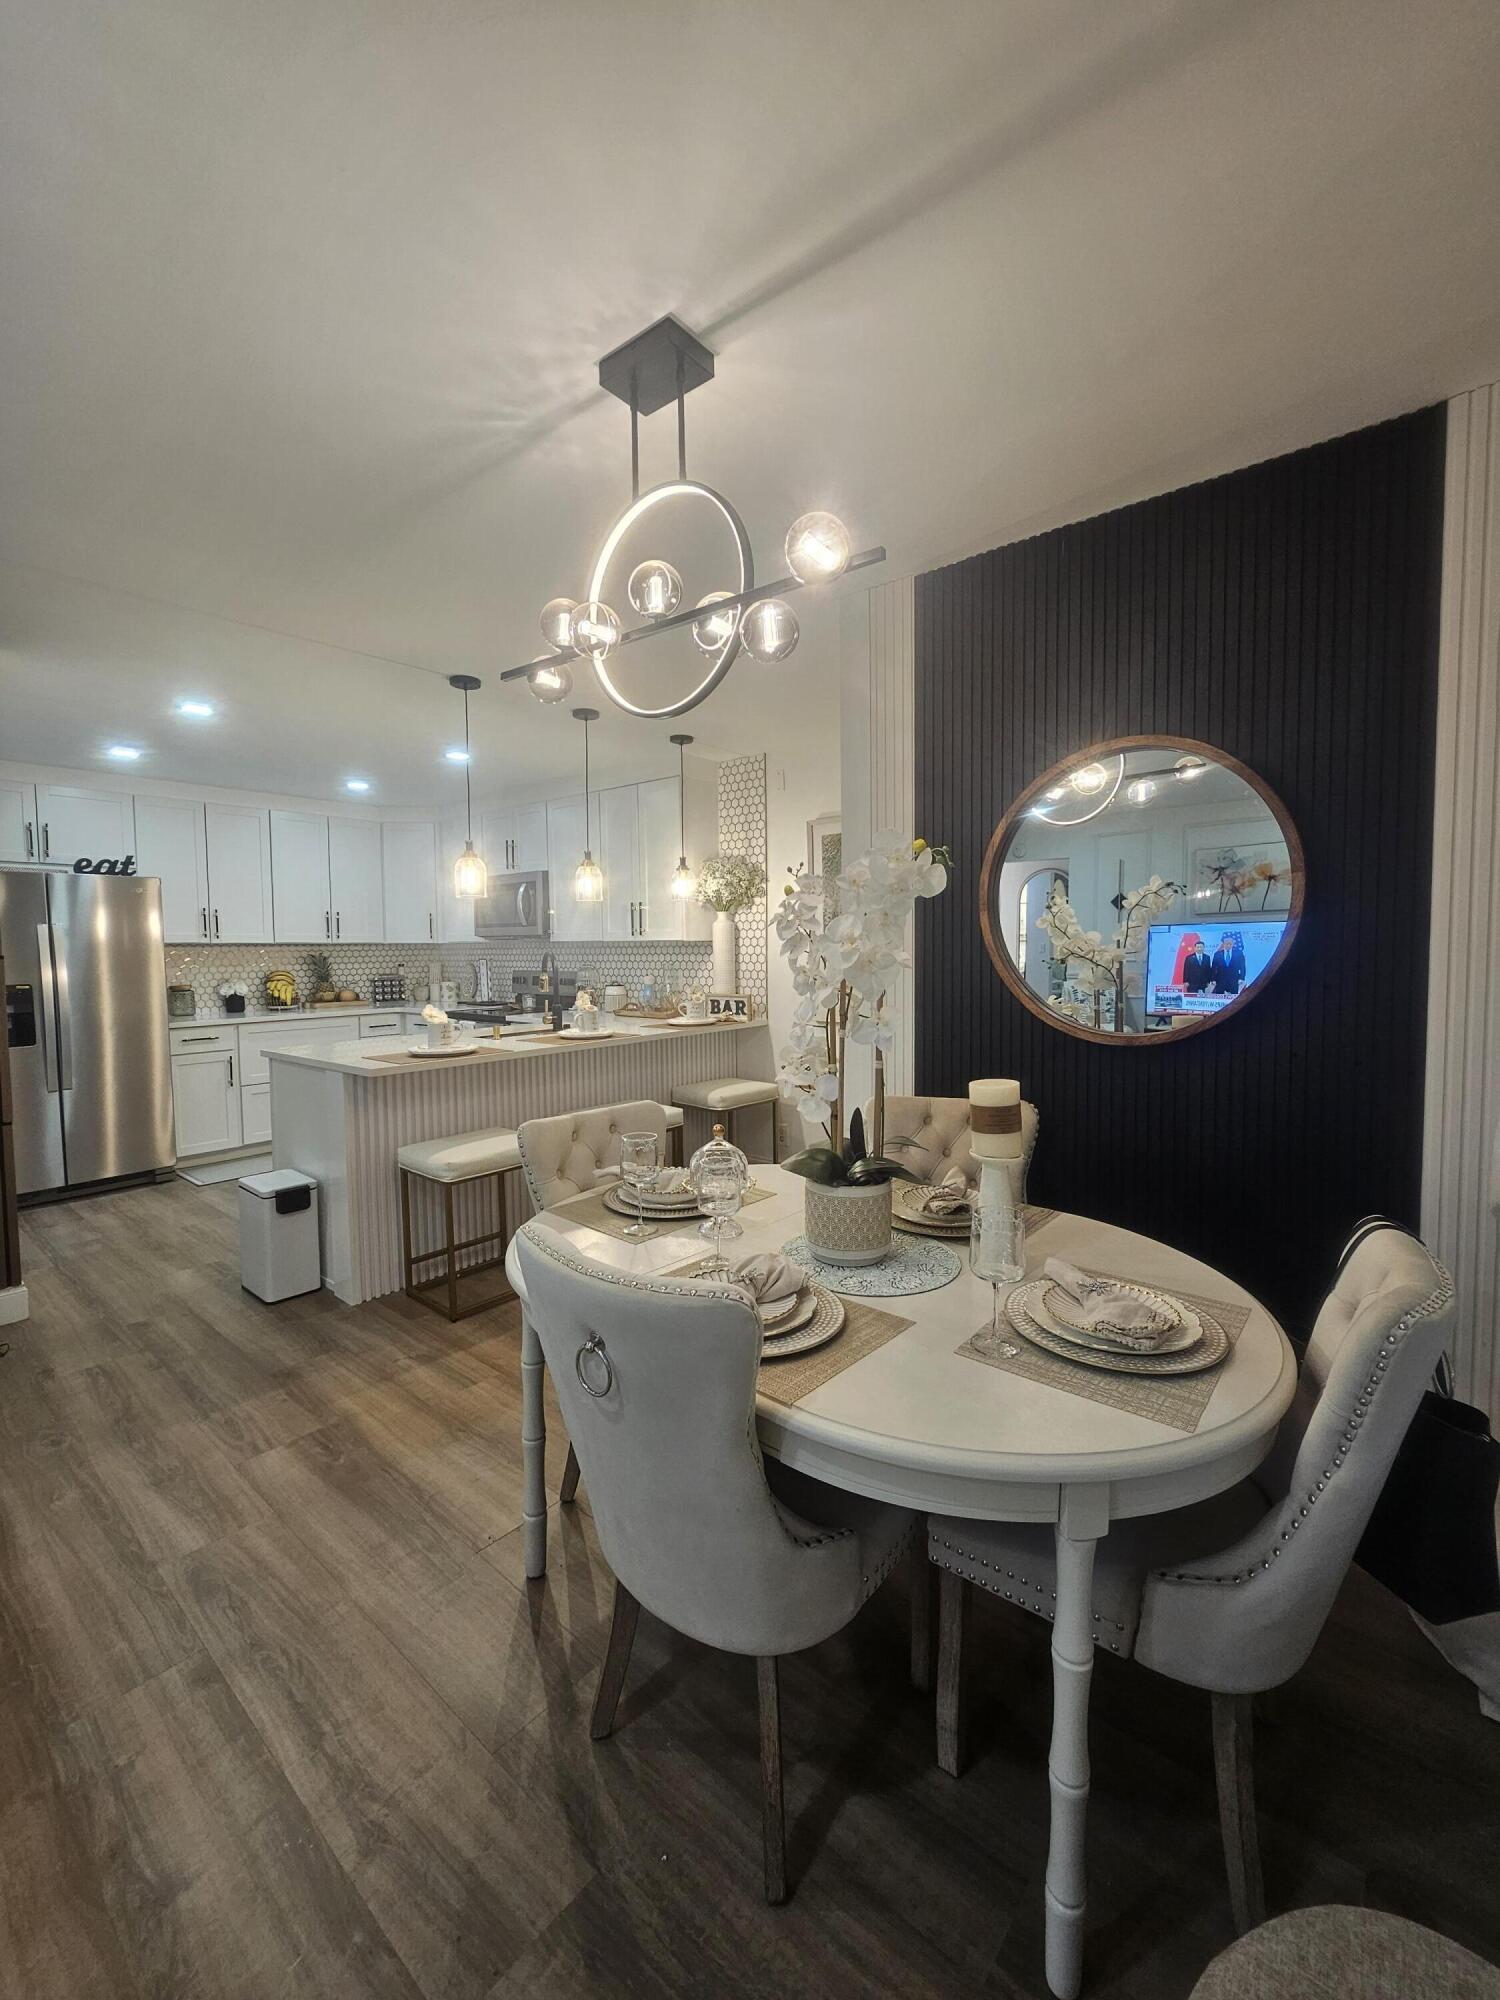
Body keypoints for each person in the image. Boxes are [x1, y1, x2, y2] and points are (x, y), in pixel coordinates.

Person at [1210, 931, 1247, 995]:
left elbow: (1242, 967)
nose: (1228, 945)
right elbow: (1213, 968)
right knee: (1219, 997)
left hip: (1234, 980)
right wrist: (1213, 979)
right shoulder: (1217, 954)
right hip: (1220, 980)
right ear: (1223, 944)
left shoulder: (1239, 954)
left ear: (1232, 944)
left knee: (1234, 999)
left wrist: (1241, 978)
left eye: (1230, 944)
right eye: (1226, 944)